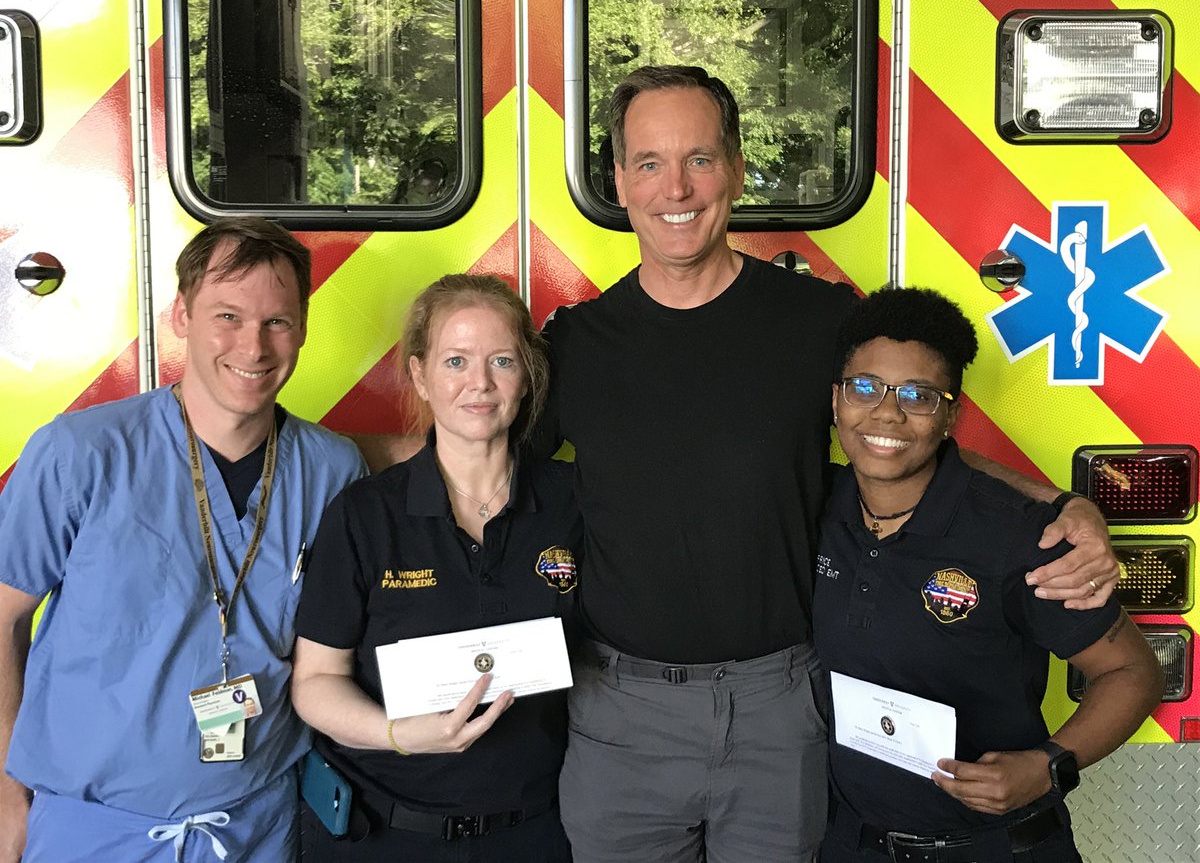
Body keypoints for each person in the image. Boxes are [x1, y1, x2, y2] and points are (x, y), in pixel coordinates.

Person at [358, 65, 1121, 862]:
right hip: (619, 716)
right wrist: (305, 451)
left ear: (737, 170)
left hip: (781, 710)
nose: (675, 188)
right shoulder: (577, 345)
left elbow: (911, 442)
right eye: (649, 162)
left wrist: (1063, 505)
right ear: (618, 180)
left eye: (700, 159)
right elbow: (465, 451)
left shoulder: (822, 322)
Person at [0, 217, 366, 862]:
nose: (252, 347)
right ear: (181, 315)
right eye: (227, 315)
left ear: (304, 327)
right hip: (89, 830)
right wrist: (5, 797)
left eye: (276, 321)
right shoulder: (78, 454)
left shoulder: (333, 469)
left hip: (256, 827)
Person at [815, 287, 1163, 862]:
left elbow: (1133, 672)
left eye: (917, 396)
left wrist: (1048, 766)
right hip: (850, 844)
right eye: (865, 388)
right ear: (835, 401)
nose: (886, 412)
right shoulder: (817, 503)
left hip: (996, 849)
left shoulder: (1019, 538)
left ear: (953, 415)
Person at [291, 274, 581, 861]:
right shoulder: (364, 514)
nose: (479, 383)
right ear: (421, 376)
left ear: (527, 376)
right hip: (384, 834)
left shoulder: (575, 503)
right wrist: (397, 735)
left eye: (501, 360)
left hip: (536, 834)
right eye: (456, 361)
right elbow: (316, 683)